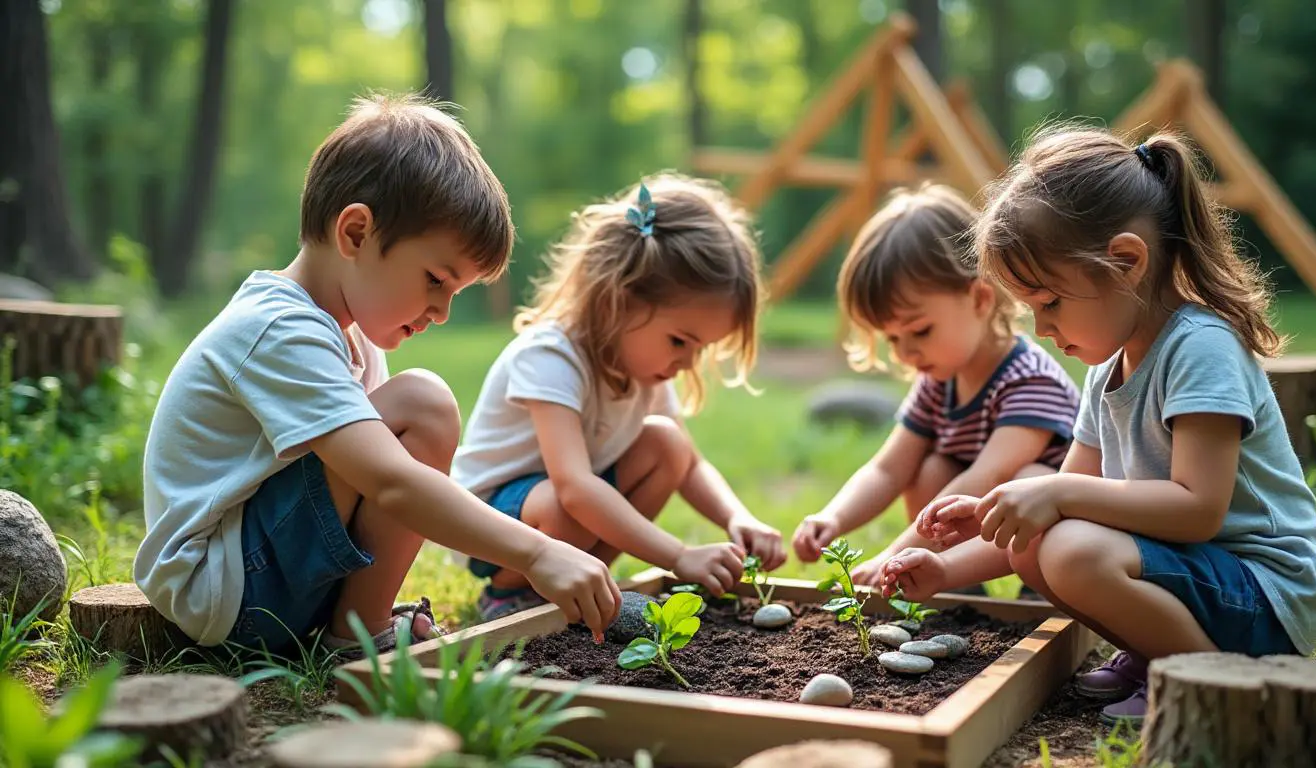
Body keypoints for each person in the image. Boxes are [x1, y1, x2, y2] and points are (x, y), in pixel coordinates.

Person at [134, 93, 621, 659]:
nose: (441, 312)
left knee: (415, 413)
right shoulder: (278, 328)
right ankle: (357, 639)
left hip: (260, 573)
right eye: (436, 280)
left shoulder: (352, 328)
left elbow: (375, 493)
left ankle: (354, 629)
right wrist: (537, 553)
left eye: (454, 293)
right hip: (224, 589)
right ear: (357, 234)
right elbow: (389, 481)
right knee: (424, 406)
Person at [884, 125, 1316, 726]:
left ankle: (1211, 687)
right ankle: (1155, 652)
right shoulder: (1106, 371)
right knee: (1039, 545)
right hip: (1206, 582)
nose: (1041, 329)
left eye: (1050, 302)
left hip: (1266, 595)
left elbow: (1198, 508)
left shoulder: (1200, 348)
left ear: (1125, 263)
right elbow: (1060, 507)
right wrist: (950, 564)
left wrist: (1056, 491)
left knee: (1073, 548)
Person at [452, 173, 786, 621]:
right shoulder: (551, 355)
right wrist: (679, 556)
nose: (688, 362)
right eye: (680, 341)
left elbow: (689, 464)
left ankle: (583, 580)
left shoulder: (643, 368)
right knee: (565, 506)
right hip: (493, 523)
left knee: (668, 444)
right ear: (619, 300)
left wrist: (737, 518)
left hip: (561, 508)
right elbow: (573, 487)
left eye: (700, 348)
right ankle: (510, 594)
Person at [790, 184, 1080, 589]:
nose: (905, 352)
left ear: (979, 299)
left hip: (1055, 533)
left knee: (1027, 476)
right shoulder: (937, 379)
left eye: (920, 331)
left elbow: (990, 474)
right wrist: (832, 517)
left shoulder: (1031, 380)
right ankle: (957, 589)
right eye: (891, 338)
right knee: (928, 471)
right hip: (981, 520)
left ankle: (1041, 595)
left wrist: (892, 554)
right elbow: (888, 469)